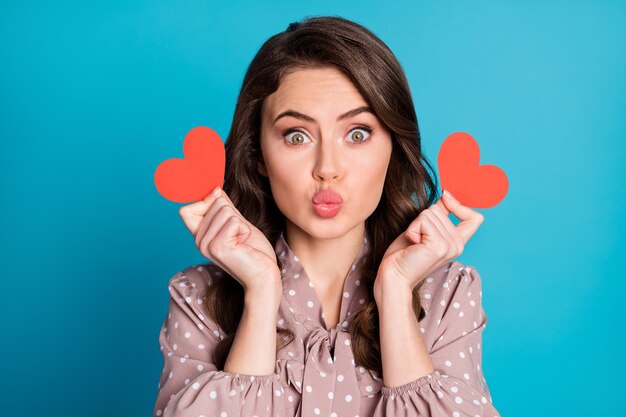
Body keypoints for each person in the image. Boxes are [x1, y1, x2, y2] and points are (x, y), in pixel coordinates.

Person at [153, 15, 502, 417]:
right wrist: (262, 295)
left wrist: (396, 295)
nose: (328, 168)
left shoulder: (448, 293)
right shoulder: (199, 297)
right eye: (296, 135)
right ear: (258, 155)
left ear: (393, 146)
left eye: (357, 134)